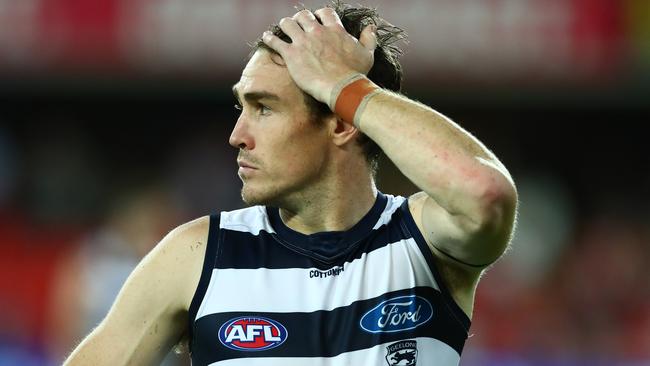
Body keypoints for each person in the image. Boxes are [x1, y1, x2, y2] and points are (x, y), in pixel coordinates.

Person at [64, 1, 518, 365]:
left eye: (263, 107)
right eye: (241, 107)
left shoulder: (424, 242)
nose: (237, 135)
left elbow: (485, 192)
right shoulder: (197, 256)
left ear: (342, 123)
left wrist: (347, 85)